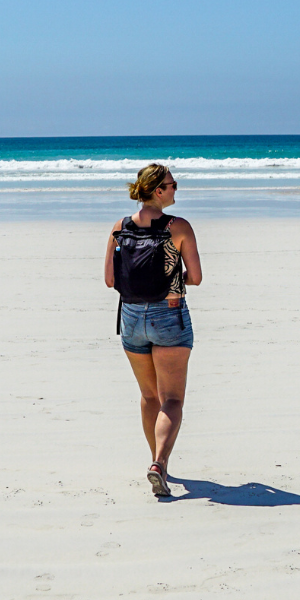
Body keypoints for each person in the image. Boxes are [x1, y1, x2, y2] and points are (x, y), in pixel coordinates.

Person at [105, 163, 202, 497]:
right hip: (169, 315)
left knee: (149, 396)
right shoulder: (179, 227)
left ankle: (156, 461)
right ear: (157, 190)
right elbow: (197, 276)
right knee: (171, 399)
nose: (176, 189)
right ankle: (159, 463)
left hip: (130, 318)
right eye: (172, 184)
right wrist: (170, 280)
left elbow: (109, 280)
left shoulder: (119, 227)